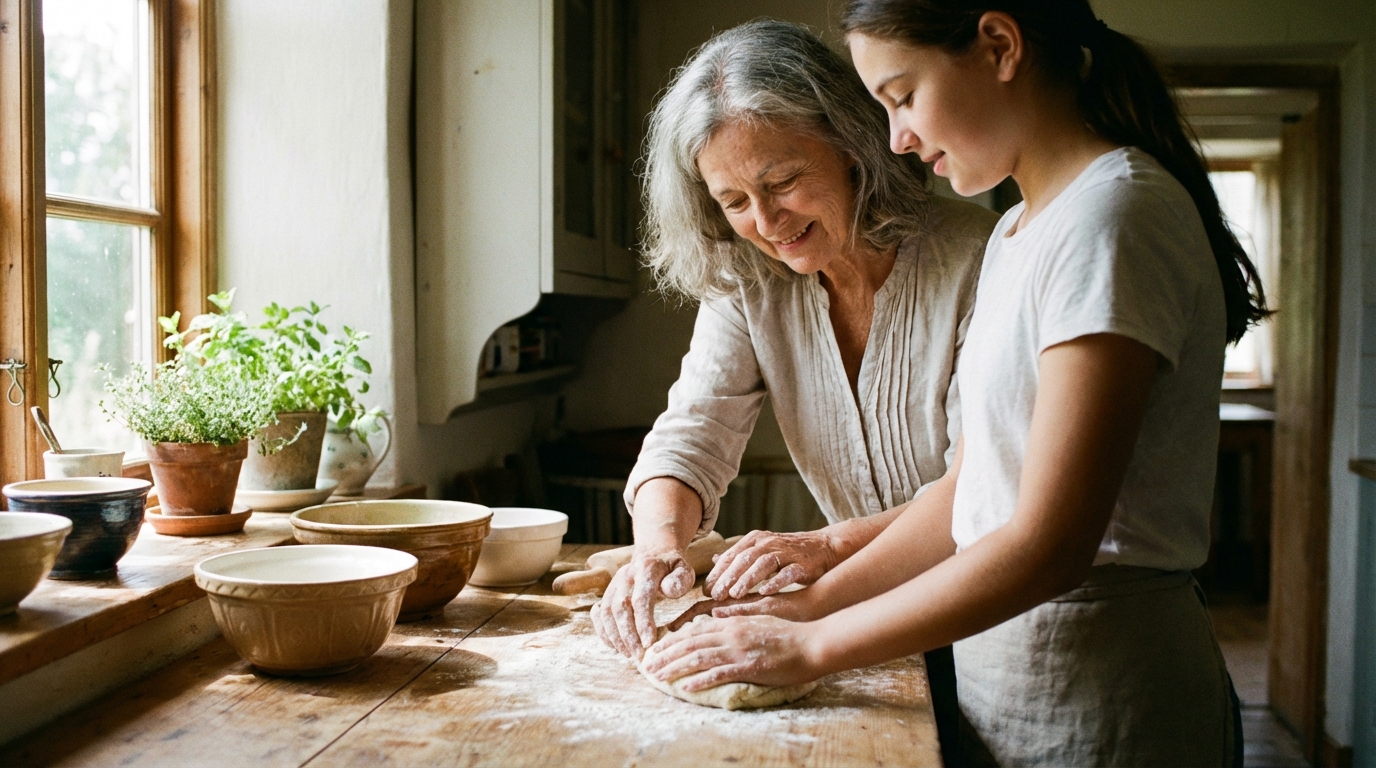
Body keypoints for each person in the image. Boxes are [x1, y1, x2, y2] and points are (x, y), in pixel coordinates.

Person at [641, 2, 1267, 765]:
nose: (897, 136)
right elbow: (969, 494)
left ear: (1001, 45)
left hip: (1104, 695)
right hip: (999, 685)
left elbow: (1050, 546)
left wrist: (809, 645)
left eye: (902, 96)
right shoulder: (1019, 232)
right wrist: (804, 604)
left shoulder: (1114, 216)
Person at [590, 21, 995, 748]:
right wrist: (657, 548)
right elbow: (694, 429)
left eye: (781, 182)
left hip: (989, 619)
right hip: (854, 628)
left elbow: (982, 488)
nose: (766, 222)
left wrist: (828, 551)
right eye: (733, 200)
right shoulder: (748, 281)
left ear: (852, 146)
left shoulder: (979, 258)